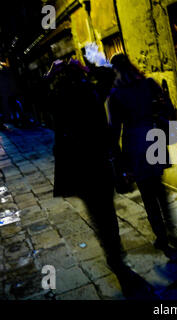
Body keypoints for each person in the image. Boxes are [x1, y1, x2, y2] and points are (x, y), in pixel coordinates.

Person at [46, 59, 153, 298]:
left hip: (80, 170)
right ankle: (115, 256)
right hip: (97, 165)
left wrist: (52, 73)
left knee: (99, 215)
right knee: (106, 214)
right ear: (79, 77)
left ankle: (113, 256)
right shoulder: (90, 94)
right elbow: (107, 74)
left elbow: (40, 94)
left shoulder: (59, 100)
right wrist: (85, 67)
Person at [108, 54, 176, 251]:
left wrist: (117, 158)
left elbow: (114, 129)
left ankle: (161, 236)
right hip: (154, 138)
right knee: (159, 187)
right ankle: (171, 228)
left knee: (147, 193)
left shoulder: (115, 95)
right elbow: (167, 108)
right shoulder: (148, 84)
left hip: (134, 144)